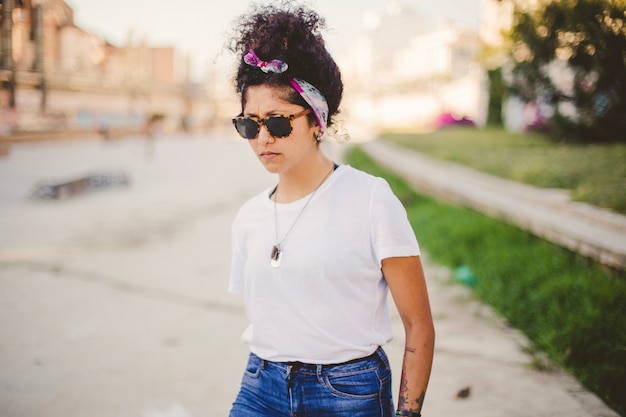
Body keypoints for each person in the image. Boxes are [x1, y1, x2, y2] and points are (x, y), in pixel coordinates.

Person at [227, 3, 434, 416]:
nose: (263, 137)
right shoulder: (249, 217)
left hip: (347, 391)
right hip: (261, 384)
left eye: (279, 122)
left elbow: (419, 327)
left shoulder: (371, 199)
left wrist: (408, 413)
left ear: (317, 121)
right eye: (250, 124)